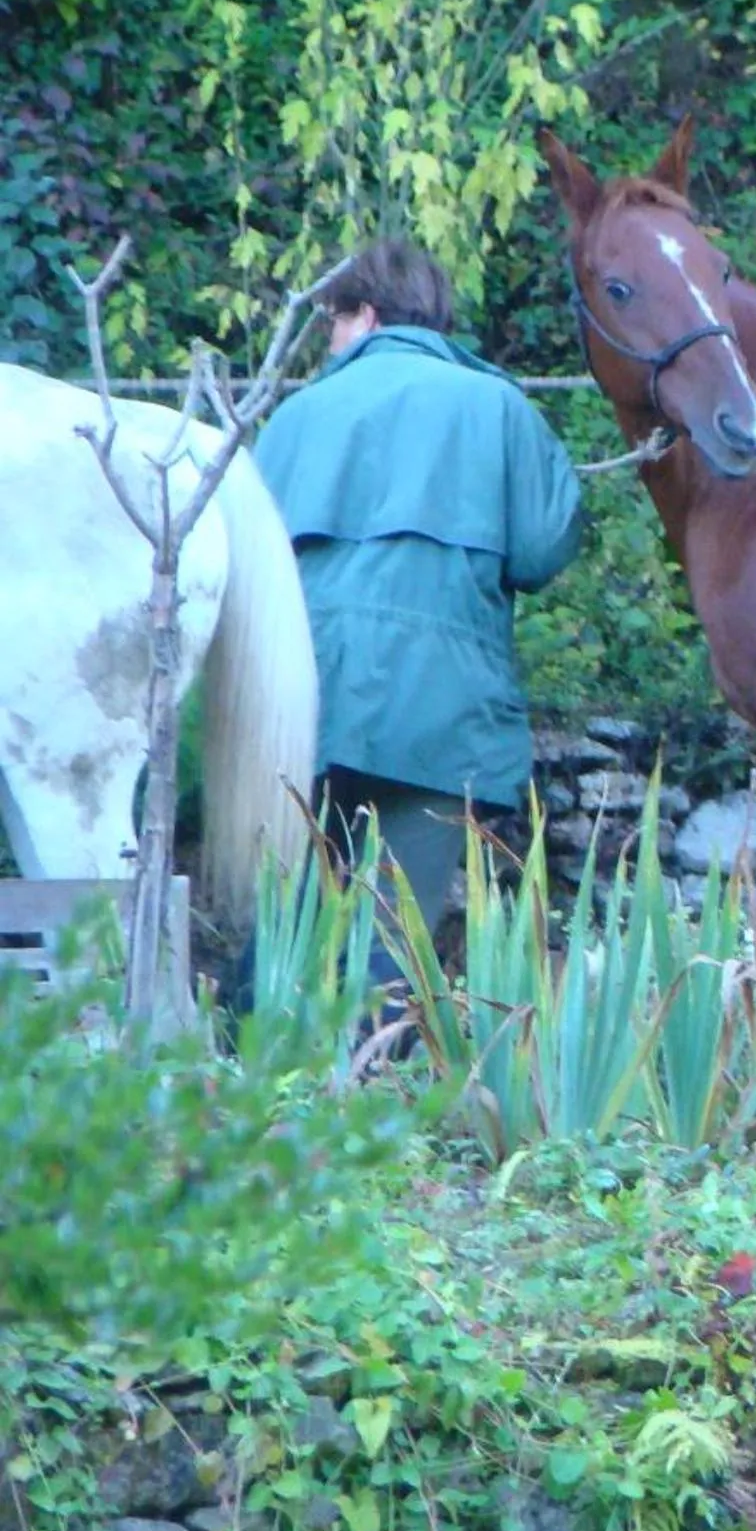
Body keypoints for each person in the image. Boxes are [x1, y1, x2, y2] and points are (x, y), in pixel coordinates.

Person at [255, 237, 583, 981]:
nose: (330, 343)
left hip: (306, 701)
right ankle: (374, 1083)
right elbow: (542, 551)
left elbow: (245, 568)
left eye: (332, 323)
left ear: (364, 316)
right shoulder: (499, 407)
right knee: (390, 946)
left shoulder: (299, 414)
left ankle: (259, 1082)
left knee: (287, 932)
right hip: (443, 711)